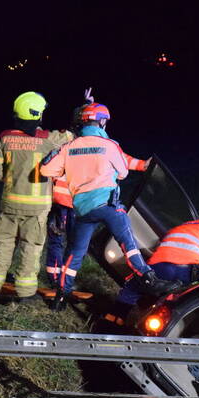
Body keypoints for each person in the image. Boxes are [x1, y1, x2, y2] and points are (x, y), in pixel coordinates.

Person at [40, 102, 179, 309]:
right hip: (108, 206)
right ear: (102, 122)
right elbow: (122, 172)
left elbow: (46, 170)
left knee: (75, 253)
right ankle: (149, 279)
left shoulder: (69, 148)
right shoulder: (109, 145)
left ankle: (61, 294)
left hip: (83, 210)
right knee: (127, 242)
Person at [45, 90, 148, 288]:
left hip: (74, 202)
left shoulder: (73, 141)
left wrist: (143, 165)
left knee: (71, 246)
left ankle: (61, 285)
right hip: (72, 202)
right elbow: (121, 163)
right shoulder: (73, 140)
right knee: (65, 243)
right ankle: (56, 280)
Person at [0, 91, 73, 304]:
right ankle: (25, 294)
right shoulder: (48, 139)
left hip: (10, 204)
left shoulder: (5, 137)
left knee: (3, 247)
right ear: (38, 114)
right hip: (37, 208)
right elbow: (72, 135)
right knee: (30, 249)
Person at [104, 214, 199, 328]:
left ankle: (112, 320)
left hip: (158, 266)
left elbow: (163, 247)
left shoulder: (181, 227)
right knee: (171, 299)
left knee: (134, 288)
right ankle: (152, 324)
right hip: (186, 273)